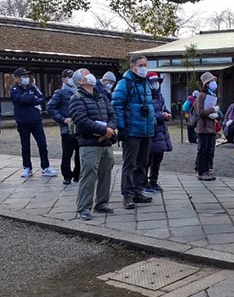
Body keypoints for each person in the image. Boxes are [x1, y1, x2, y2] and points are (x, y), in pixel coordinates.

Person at [68, 68, 117, 220]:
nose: (90, 76)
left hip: (106, 142)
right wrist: (104, 130)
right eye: (85, 74)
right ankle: (84, 207)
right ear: (79, 81)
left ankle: (102, 202)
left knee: (106, 173)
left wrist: (110, 129)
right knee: (88, 175)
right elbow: (81, 120)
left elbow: (112, 115)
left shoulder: (101, 97)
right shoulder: (77, 98)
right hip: (89, 142)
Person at [112, 54, 156, 209]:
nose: (144, 68)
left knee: (143, 163)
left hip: (146, 130)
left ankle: (138, 191)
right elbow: (117, 105)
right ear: (133, 67)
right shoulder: (125, 84)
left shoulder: (146, 83)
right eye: (141, 65)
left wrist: (153, 124)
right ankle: (127, 195)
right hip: (132, 130)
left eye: (145, 64)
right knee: (130, 164)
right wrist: (122, 127)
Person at [10, 67, 57, 178]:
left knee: (42, 144)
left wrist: (29, 99)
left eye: (27, 76)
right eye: (23, 76)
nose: (26, 78)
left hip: (36, 121)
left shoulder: (33, 87)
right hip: (22, 122)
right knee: (25, 146)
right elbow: (19, 100)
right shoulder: (14, 89)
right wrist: (32, 98)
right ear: (17, 78)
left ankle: (45, 167)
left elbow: (41, 98)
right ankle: (27, 167)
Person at [46, 68, 80, 185]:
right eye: (70, 77)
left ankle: (77, 174)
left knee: (79, 153)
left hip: (79, 127)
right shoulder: (60, 93)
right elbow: (50, 108)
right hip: (67, 128)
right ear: (64, 79)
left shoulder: (79, 91)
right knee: (67, 153)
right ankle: (67, 175)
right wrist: (63, 119)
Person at [144, 71, 172, 193]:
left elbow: (164, 109)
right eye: (153, 82)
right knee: (147, 160)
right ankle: (144, 182)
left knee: (157, 160)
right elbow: (146, 114)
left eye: (157, 82)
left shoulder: (160, 96)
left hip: (161, 131)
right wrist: (161, 115)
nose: (155, 84)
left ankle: (153, 181)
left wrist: (167, 114)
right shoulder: (145, 96)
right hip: (151, 131)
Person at [194, 72, 219, 181]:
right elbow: (200, 112)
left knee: (211, 149)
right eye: (211, 81)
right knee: (203, 150)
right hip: (203, 127)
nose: (214, 83)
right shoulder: (201, 95)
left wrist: (215, 114)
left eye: (214, 80)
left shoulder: (212, 95)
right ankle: (201, 170)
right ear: (206, 84)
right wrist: (212, 110)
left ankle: (209, 169)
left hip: (211, 126)